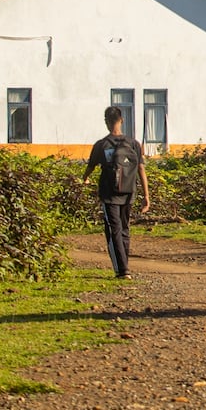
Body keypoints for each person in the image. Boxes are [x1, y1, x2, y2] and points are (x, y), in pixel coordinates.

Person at [83, 105, 150, 280]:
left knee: (114, 230)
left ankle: (122, 270)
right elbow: (141, 170)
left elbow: (90, 168)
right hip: (129, 192)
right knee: (125, 229)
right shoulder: (133, 143)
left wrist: (84, 179)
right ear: (122, 120)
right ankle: (124, 266)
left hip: (109, 194)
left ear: (106, 122)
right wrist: (146, 196)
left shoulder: (101, 145)